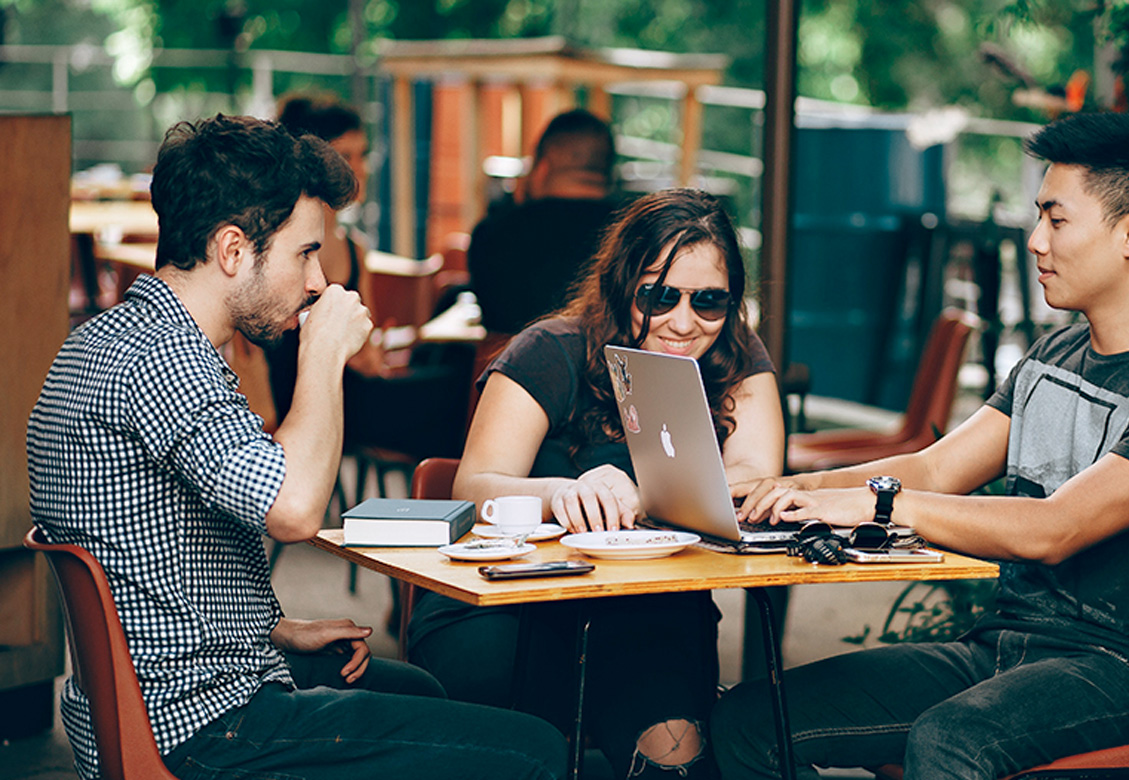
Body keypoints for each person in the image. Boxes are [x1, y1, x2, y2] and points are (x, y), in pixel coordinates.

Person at [27, 114, 566, 780]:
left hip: (154, 700)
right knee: (532, 750)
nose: (316, 281)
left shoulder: (104, 342)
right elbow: (294, 510)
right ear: (232, 250)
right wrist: (323, 355)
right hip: (204, 728)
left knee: (419, 693)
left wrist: (271, 630)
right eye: (304, 252)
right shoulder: (165, 361)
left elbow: (144, 554)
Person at [712, 112, 1129, 780]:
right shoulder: (1055, 355)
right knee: (749, 722)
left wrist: (881, 507)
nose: (1034, 241)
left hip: (1118, 672)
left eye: (1057, 219)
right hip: (1001, 650)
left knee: (951, 741)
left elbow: (1056, 527)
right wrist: (793, 489)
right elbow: (938, 466)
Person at [407, 188, 786, 779]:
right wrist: (561, 493)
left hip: (648, 613)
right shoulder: (549, 350)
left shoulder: (734, 354)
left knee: (679, 763)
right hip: (514, 605)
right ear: (621, 284)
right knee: (522, 750)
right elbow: (470, 485)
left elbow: (757, 472)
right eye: (659, 298)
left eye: (710, 301)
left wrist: (647, 493)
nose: (684, 323)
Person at [265, 92, 466, 460]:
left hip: (352, 394)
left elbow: (368, 350)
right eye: (345, 157)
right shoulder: (277, 246)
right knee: (460, 389)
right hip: (312, 401)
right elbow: (363, 356)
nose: (359, 168)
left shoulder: (355, 249)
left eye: (362, 155)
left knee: (455, 372)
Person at [467, 108, 620, 335]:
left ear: (542, 167)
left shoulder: (492, 234)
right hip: (604, 368)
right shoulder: (634, 234)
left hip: (510, 367)